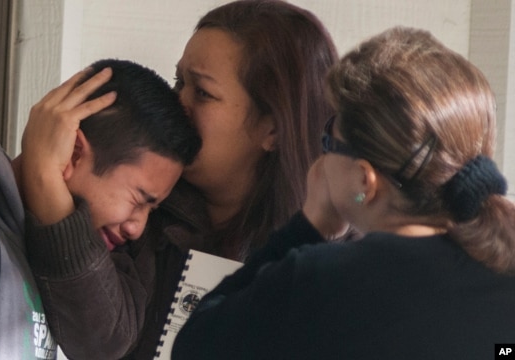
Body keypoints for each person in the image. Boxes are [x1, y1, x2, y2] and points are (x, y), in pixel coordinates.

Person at [171, 26, 515, 360]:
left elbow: (197, 344)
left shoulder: (323, 281)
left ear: (364, 182)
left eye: (329, 141)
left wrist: (309, 225)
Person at [21, 1, 339, 359]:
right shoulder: (136, 217)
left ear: (273, 128)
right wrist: (44, 179)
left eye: (202, 93)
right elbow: (100, 338)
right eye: (179, 82)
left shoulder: (330, 257)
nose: (177, 103)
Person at [0, 58, 200, 359]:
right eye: (138, 199)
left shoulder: (42, 259)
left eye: (151, 210)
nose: (137, 227)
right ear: (73, 151)